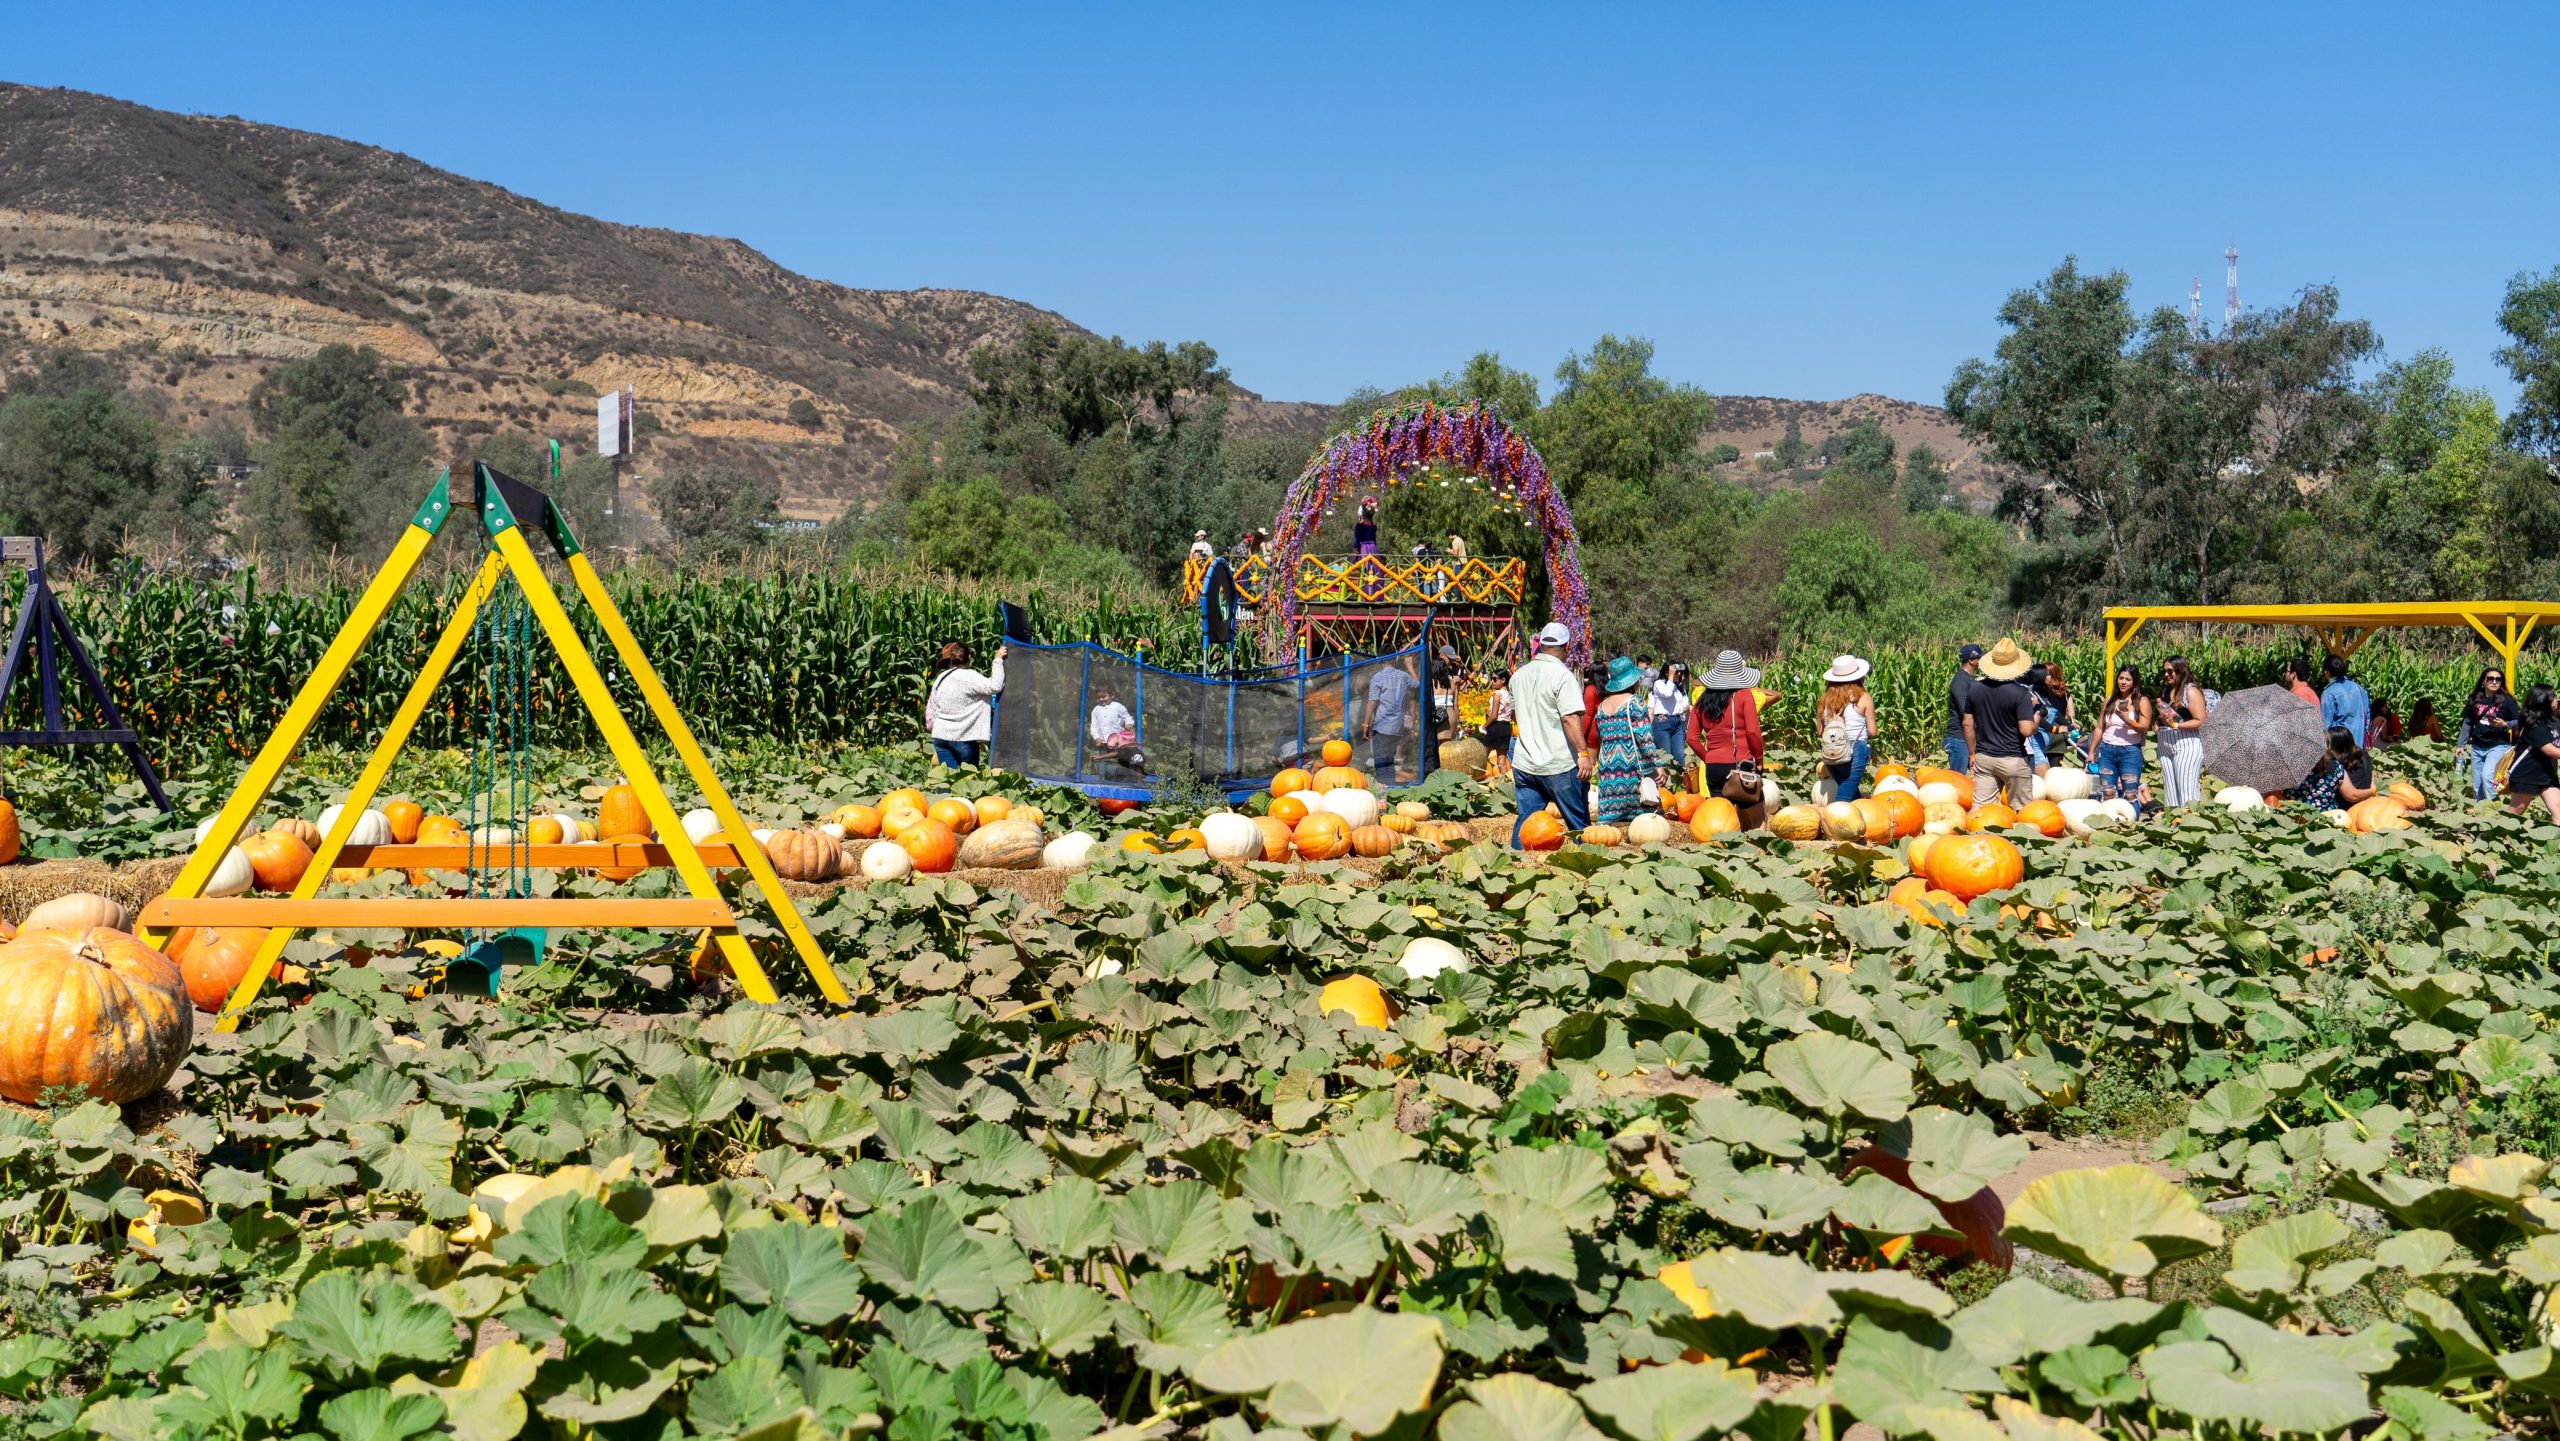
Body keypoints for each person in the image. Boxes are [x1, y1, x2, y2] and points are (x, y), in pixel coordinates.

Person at [1507, 622, 1592, 844]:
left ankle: (1515, 860)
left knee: (1527, 824)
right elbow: (1570, 718)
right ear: (1567, 646)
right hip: (1558, 764)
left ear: (1540, 645)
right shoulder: (1563, 676)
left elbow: (1515, 715)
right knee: (1578, 826)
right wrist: (1583, 754)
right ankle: (1589, 861)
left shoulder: (1518, 676)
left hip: (1525, 763)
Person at [1591, 657, 1671, 826]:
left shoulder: (1602, 707)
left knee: (1611, 825)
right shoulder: (1635, 702)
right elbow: (1645, 738)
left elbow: (1601, 738)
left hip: (1608, 771)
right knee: (1646, 823)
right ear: (1632, 681)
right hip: (1631, 769)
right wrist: (1658, 765)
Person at [1963, 638, 2040, 807]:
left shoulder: (1975, 688)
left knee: (1981, 810)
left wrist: (1972, 753)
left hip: (1984, 758)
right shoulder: (2021, 693)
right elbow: (2026, 730)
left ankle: (1977, 826)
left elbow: (1967, 723)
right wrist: (2037, 719)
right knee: (2021, 810)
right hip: (2012, 758)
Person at [1687, 650, 1765, 800]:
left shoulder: (1703, 699)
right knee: (1751, 812)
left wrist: (1708, 757)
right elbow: (1753, 732)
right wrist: (1759, 761)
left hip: (1713, 768)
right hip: (1740, 764)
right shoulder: (1744, 695)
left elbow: (1691, 738)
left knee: (1722, 811)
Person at [925, 640, 1005, 768]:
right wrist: (998, 660)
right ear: (969, 657)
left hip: (940, 736)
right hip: (963, 737)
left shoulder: (941, 677)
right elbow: (995, 686)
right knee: (968, 777)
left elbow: (934, 703)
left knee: (946, 776)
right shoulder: (970, 676)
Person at [2084, 665, 2152, 803]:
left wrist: (2126, 719)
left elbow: (2144, 728)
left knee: (2130, 794)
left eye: (2128, 679)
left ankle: (2132, 816)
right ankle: (2110, 816)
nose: (2123, 682)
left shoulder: (2141, 701)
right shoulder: (2109, 700)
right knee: (2108, 792)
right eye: (2121, 678)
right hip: (2107, 750)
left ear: (2134, 682)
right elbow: (2099, 728)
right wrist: (2091, 752)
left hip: (2130, 751)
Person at [1815, 655, 1878, 800]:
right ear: (1859, 677)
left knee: (1851, 793)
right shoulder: (1863, 697)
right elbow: (1873, 731)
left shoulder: (1825, 699)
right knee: (1843, 800)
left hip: (1831, 752)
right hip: (1855, 749)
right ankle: (1833, 816)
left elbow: (1820, 731)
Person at [2461, 667, 2522, 800]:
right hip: (2477, 746)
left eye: (2498, 679)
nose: (2494, 682)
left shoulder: (2508, 701)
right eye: (2490, 678)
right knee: (2477, 784)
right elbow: (2467, 723)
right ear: (2483, 681)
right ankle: (2479, 808)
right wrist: (2461, 745)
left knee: (2488, 777)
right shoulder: (2475, 699)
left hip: (2498, 745)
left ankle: (2493, 807)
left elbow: (2520, 721)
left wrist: (2505, 724)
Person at [2156, 655, 2210, 806]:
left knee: (2187, 791)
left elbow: (2201, 720)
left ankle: (2190, 819)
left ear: (2181, 670)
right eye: (2164, 671)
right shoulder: (2166, 690)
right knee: (2170, 793)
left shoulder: (2190, 691)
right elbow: (2166, 716)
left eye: (2170, 671)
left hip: (2187, 743)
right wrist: (2158, 722)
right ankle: (2173, 818)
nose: (2166, 674)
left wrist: (2175, 725)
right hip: (2166, 743)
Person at [2507, 683, 2560, 823]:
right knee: (2516, 812)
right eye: (2554, 697)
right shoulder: (2533, 724)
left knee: (2558, 808)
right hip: (2527, 775)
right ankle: (2494, 832)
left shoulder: (2554, 720)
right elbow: (2550, 750)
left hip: (2548, 774)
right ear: (2544, 701)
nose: (2557, 700)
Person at [1362, 653, 1419, 780]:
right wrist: (1409, 666)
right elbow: (1418, 684)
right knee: (1389, 761)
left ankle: (1385, 788)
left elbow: (1372, 702)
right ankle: (1391, 787)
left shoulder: (1377, 677)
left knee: (1381, 763)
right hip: (1397, 727)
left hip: (1381, 726)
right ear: (1396, 658)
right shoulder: (1403, 676)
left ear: (1379, 661)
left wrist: (1365, 724)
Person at [2296, 726, 2377, 811]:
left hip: (2347, 808)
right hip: (2363, 805)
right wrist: (2372, 789)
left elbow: (2352, 796)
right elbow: (2352, 795)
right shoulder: (2364, 756)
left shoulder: (2332, 765)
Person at [2025, 662, 2076, 778]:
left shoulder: (2043, 693)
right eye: (2047, 674)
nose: (2050, 677)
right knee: (2046, 778)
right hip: (2035, 741)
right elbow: (2037, 717)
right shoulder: (2033, 695)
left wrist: (2069, 726)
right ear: (2041, 676)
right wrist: (2055, 730)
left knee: (2051, 775)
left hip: (2044, 741)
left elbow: (2054, 712)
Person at [1946, 643, 1985, 773]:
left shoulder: (1969, 678)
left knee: (1976, 777)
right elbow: (1965, 710)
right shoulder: (1960, 681)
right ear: (1971, 661)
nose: (1981, 661)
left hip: (1969, 737)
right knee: (1958, 778)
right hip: (1959, 738)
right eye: (1979, 658)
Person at [1087, 684, 1144, 772]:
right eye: (1099, 697)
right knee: (1103, 759)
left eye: (1104, 697)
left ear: (1112, 695)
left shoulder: (1118, 706)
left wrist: (1128, 723)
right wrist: (1096, 737)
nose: (1101, 699)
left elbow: (1127, 716)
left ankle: (1123, 774)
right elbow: (1094, 725)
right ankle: (1102, 777)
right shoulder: (1096, 710)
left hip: (1117, 741)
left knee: (1120, 758)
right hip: (1103, 741)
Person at [2319, 655, 2371, 748]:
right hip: (2359, 746)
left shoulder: (2329, 693)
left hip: (2340, 747)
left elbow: (2325, 724)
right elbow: (2367, 718)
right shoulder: (2359, 689)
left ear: (2327, 672)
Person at [1648, 661, 1690, 762]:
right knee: (1666, 757)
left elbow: (1683, 705)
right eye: (1676, 672)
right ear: (1667, 672)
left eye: (1679, 672)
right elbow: (1667, 693)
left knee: (1680, 757)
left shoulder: (1677, 687)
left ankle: (1680, 772)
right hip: (1663, 722)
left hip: (1677, 722)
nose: (1678, 674)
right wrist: (1671, 676)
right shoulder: (1659, 683)